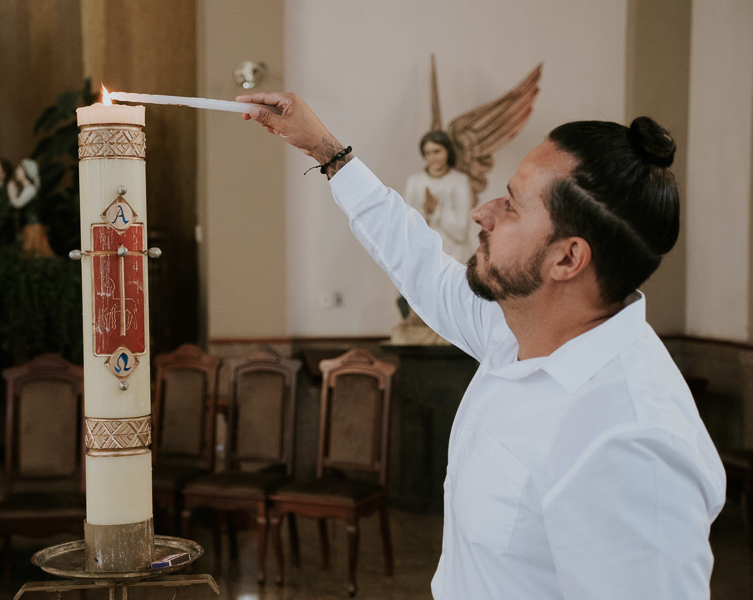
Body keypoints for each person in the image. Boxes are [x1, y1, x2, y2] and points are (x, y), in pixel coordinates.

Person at [238, 91, 726, 599]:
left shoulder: (633, 445)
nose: (482, 212)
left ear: (567, 260)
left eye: (511, 206)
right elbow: (421, 263)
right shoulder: (517, 329)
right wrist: (326, 150)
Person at [404, 130, 473, 263]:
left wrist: (437, 209)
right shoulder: (415, 181)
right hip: (424, 253)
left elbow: (461, 231)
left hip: (455, 255)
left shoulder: (460, 180)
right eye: (427, 153)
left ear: (447, 151)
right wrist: (424, 210)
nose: (432, 157)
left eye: (437, 151)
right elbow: (407, 224)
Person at [7, 158, 54, 257]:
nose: (17, 171)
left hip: (34, 227)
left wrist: (11, 192)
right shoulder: (27, 189)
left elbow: (17, 203)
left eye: (19, 169)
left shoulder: (31, 189)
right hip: (29, 226)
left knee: (34, 254)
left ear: (27, 171)